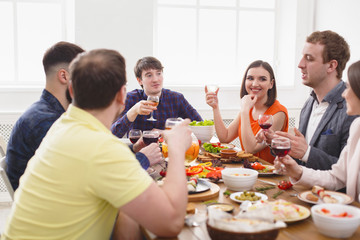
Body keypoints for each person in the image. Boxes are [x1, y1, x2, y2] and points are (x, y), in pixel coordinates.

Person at [1, 49, 192, 239]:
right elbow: (172, 223)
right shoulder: (102, 147)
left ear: (71, 90)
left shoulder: (61, 126)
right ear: (122, 95)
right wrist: (175, 148)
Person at [6, 43, 161, 191]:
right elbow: (94, 179)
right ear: (64, 76)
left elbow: (92, 158)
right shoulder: (47, 121)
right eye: (83, 77)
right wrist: (141, 159)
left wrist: (133, 149)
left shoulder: (57, 114)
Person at [275, 60, 360, 202]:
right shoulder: (357, 126)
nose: (344, 94)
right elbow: (337, 177)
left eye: (349, 88)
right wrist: (297, 171)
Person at [5, 41, 85, 190]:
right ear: (64, 76)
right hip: (46, 208)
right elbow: (81, 174)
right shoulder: (45, 121)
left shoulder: (52, 114)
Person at [275, 30, 356, 170]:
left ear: (331, 66)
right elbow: (301, 160)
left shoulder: (352, 107)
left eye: (309, 58)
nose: (300, 64)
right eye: (302, 57)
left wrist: (306, 152)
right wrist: (279, 144)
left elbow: (349, 171)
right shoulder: (310, 103)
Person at [206, 60, 288, 164]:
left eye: (262, 79)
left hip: (271, 174)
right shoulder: (248, 108)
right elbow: (225, 137)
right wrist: (215, 107)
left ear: (271, 84)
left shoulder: (278, 113)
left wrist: (244, 110)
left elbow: (251, 149)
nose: (254, 84)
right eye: (250, 78)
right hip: (249, 170)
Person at [111, 56, 202, 138]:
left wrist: (163, 133)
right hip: (139, 151)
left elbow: (200, 126)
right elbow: (113, 134)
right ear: (140, 81)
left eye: (158, 73)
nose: (155, 79)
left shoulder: (176, 98)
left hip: (168, 151)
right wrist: (133, 111)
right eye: (149, 75)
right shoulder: (130, 98)